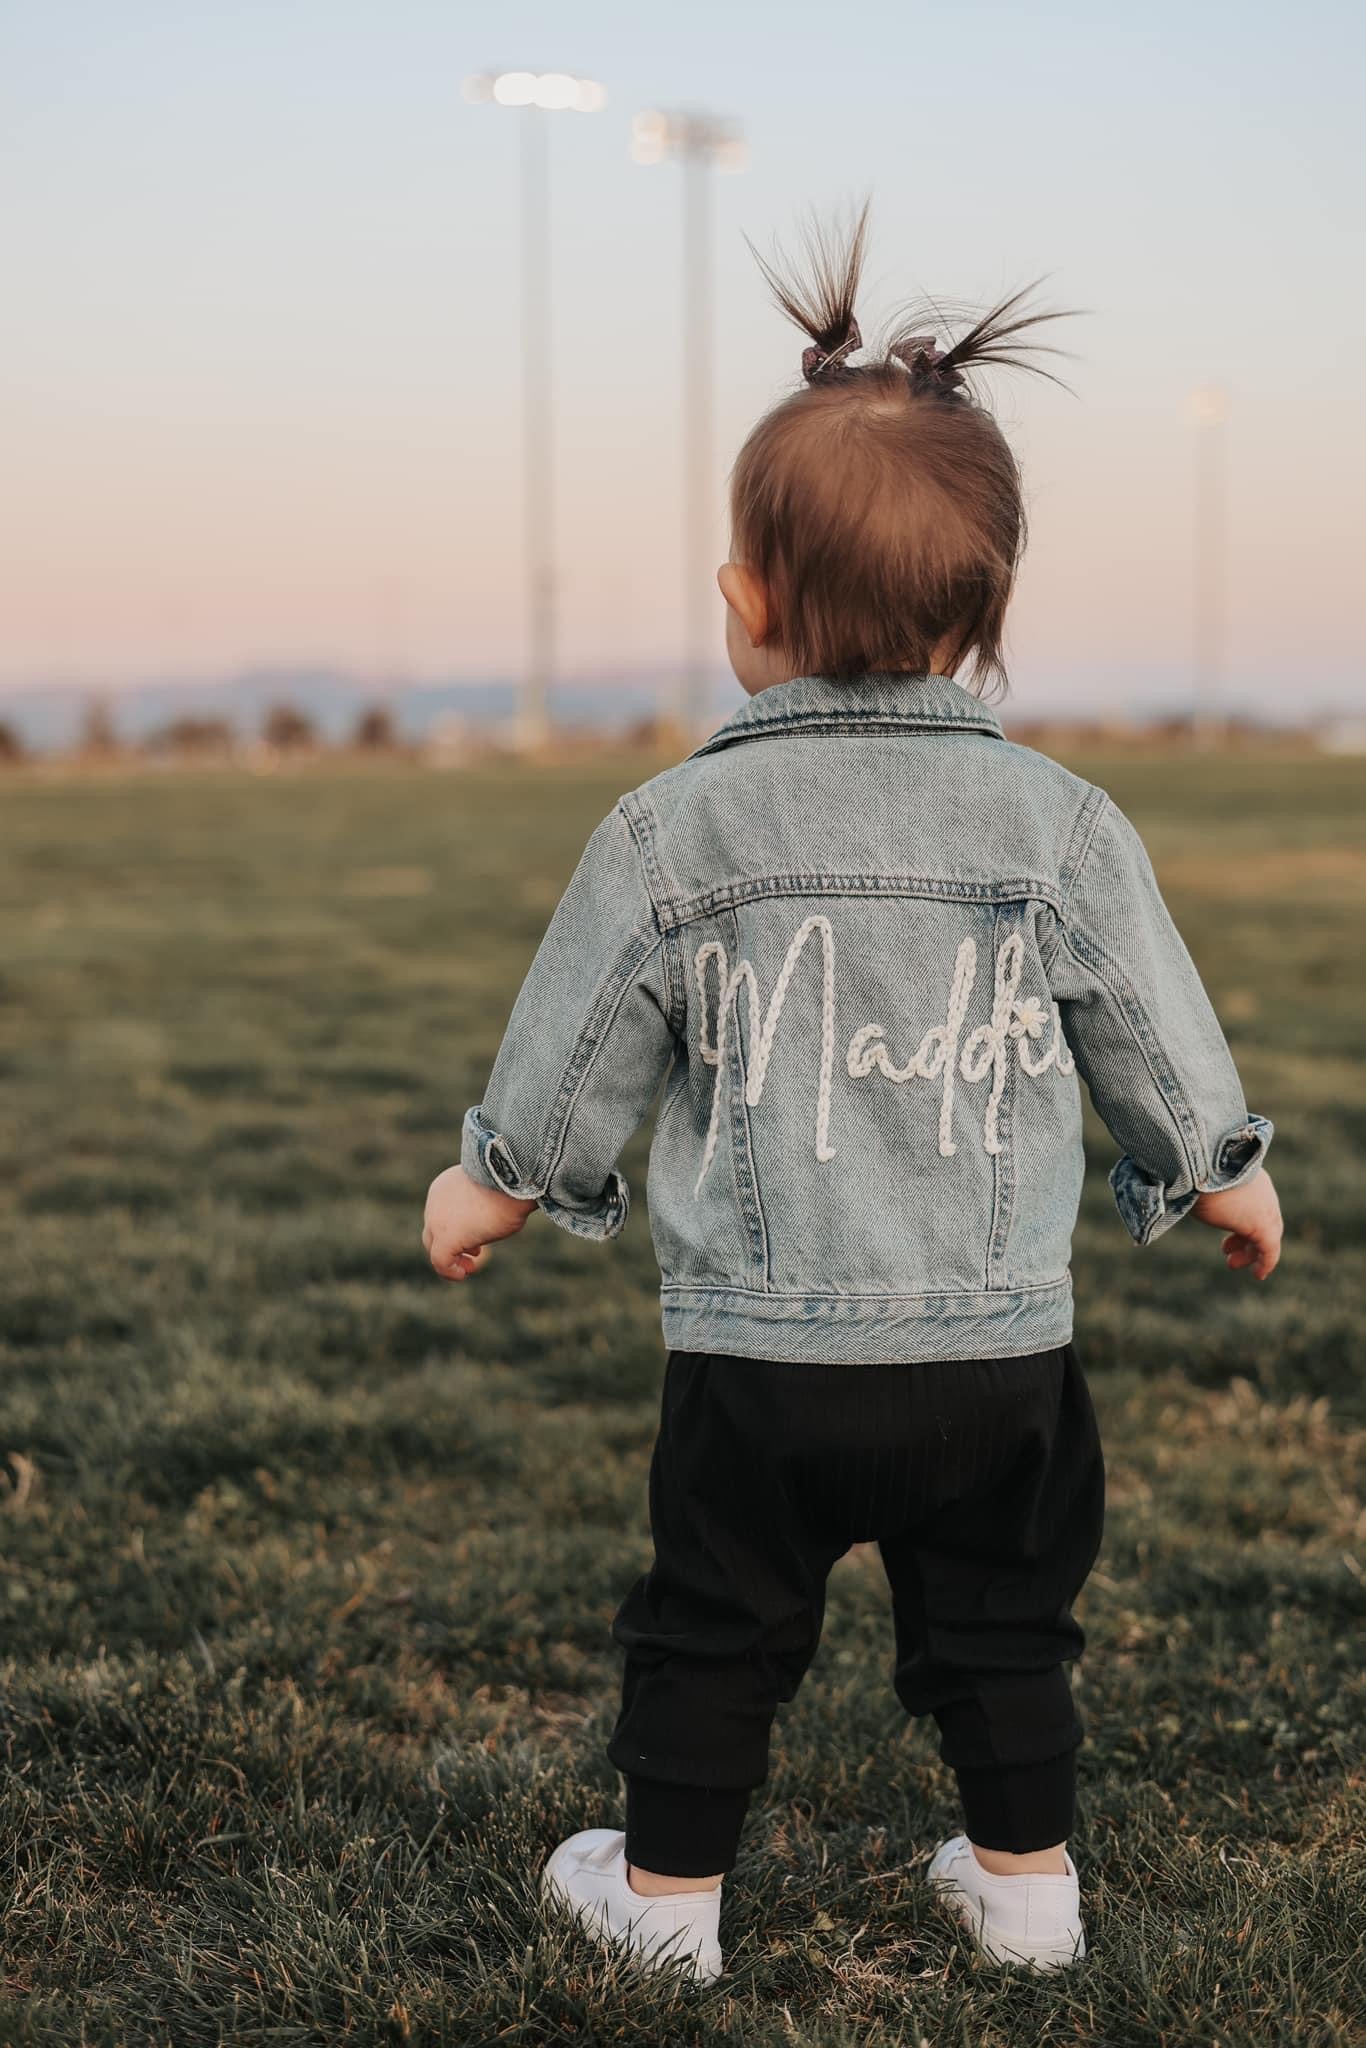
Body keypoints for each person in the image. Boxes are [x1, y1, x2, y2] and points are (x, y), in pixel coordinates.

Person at [422, 209, 1282, 1980]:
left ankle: (663, 1917)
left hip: (760, 1362)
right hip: (996, 1358)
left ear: (747, 600)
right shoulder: (1055, 823)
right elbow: (1145, 1014)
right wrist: (1215, 1169)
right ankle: (1025, 1892)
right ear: (985, 618)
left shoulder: (675, 828)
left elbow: (583, 1039)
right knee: (999, 1626)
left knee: (715, 1626)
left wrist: (497, 1179)